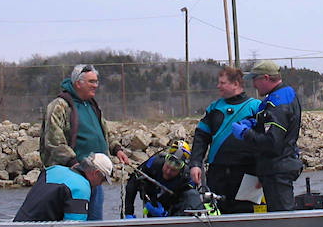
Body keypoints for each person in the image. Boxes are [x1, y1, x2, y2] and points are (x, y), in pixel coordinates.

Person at [39, 64, 130, 220]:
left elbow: (103, 132)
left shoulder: (92, 105)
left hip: (95, 178)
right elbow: (54, 141)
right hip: (72, 179)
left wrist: (117, 149)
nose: (96, 85)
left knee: (95, 222)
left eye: (96, 81)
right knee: (74, 222)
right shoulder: (59, 106)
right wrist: (74, 163)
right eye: (91, 82)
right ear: (78, 83)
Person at [231, 60, 303, 212]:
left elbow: (273, 142)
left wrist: (246, 134)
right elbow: (276, 127)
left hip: (278, 169)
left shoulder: (278, 103)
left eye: (255, 80)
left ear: (265, 78)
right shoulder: (283, 95)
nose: (254, 85)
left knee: (282, 218)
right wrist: (255, 122)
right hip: (278, 166)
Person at [189, 66, 261, 213]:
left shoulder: (255, 107)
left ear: (235, 84)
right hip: (218, 171)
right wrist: (195, 163)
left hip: (246, 172)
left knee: (244, 214)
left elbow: (265, 141)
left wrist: (263, 171)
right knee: (217, 211)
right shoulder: (214, 108)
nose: (218, 86)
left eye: (222, 83)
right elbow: (201, 137)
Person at [14, 153, 113, 222]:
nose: (100, 185)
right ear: (96, 174)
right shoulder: (81, 188)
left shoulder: (53, 169)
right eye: (102, 180)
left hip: (18, 223)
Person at [123, 140, 203, 218]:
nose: (168, 172)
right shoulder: (154, 163)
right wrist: (129, 213)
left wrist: (168, 215)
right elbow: (132, 183)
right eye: (167, 167)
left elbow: (191, 201)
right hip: (153, 204)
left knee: (192, 195)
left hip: (174, 208)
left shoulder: (187, 176)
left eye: (173, 170)